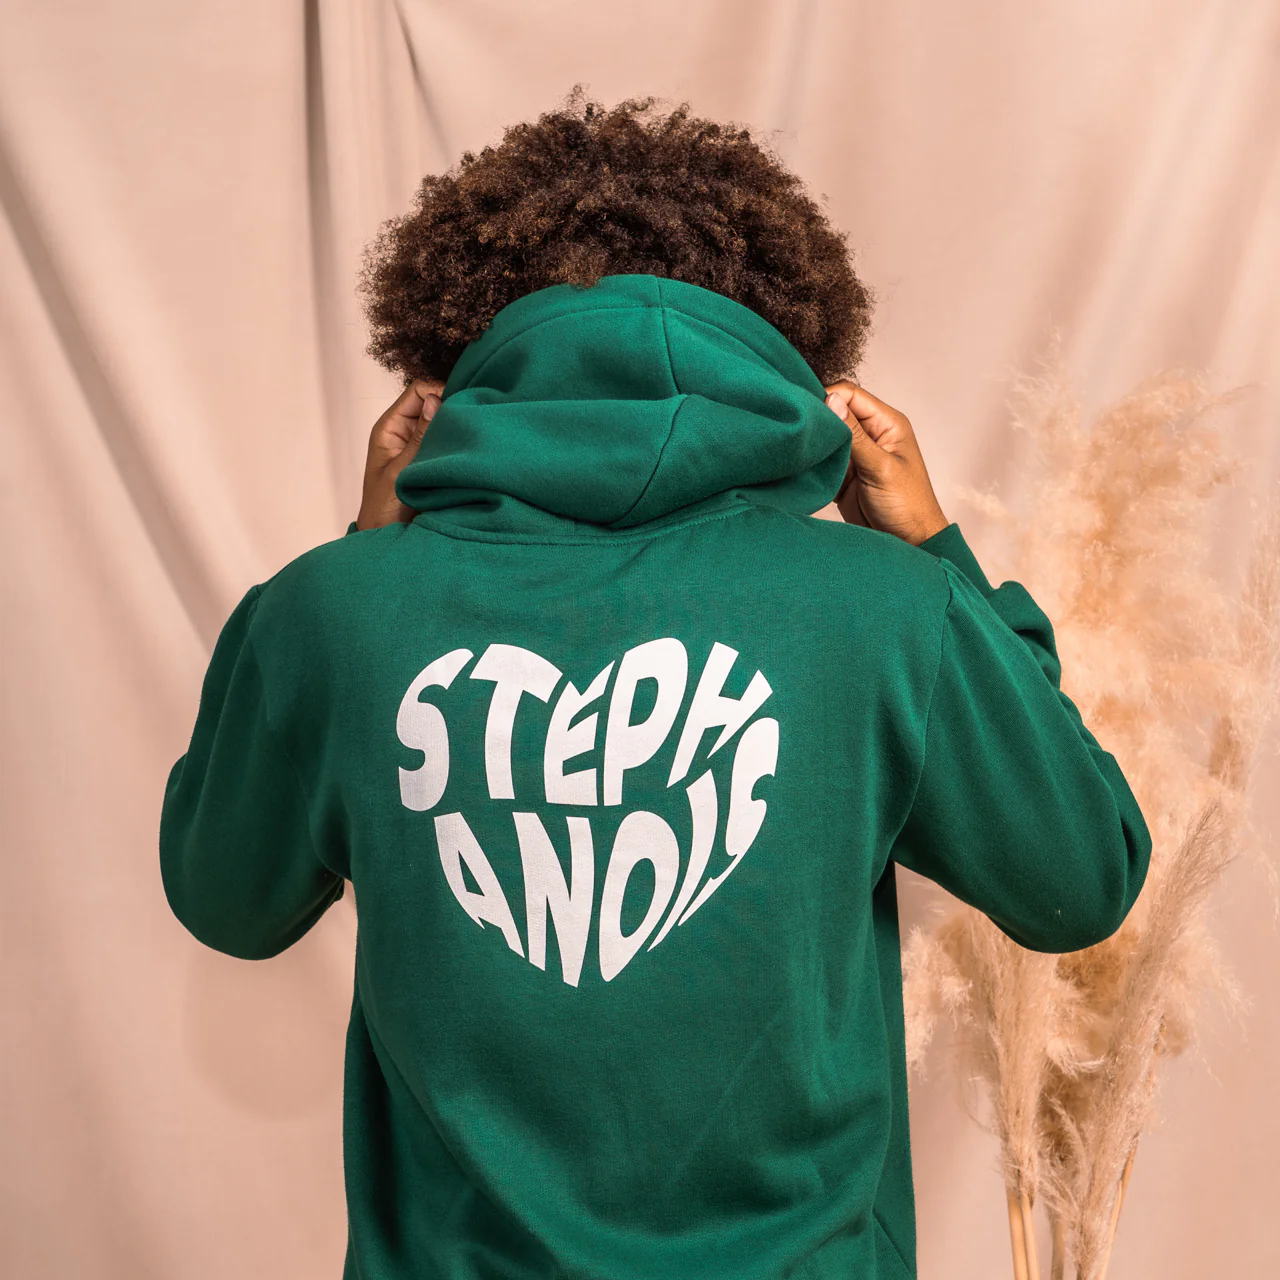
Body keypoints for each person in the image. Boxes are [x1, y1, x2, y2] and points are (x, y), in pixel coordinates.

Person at [159, 89, 1151, 1280]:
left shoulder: (327, 612)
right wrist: (934, 551)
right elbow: (1080, 873)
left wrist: (368, 554)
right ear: (785, 344)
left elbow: (229, 898)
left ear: (452, 356)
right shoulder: (888, 608)